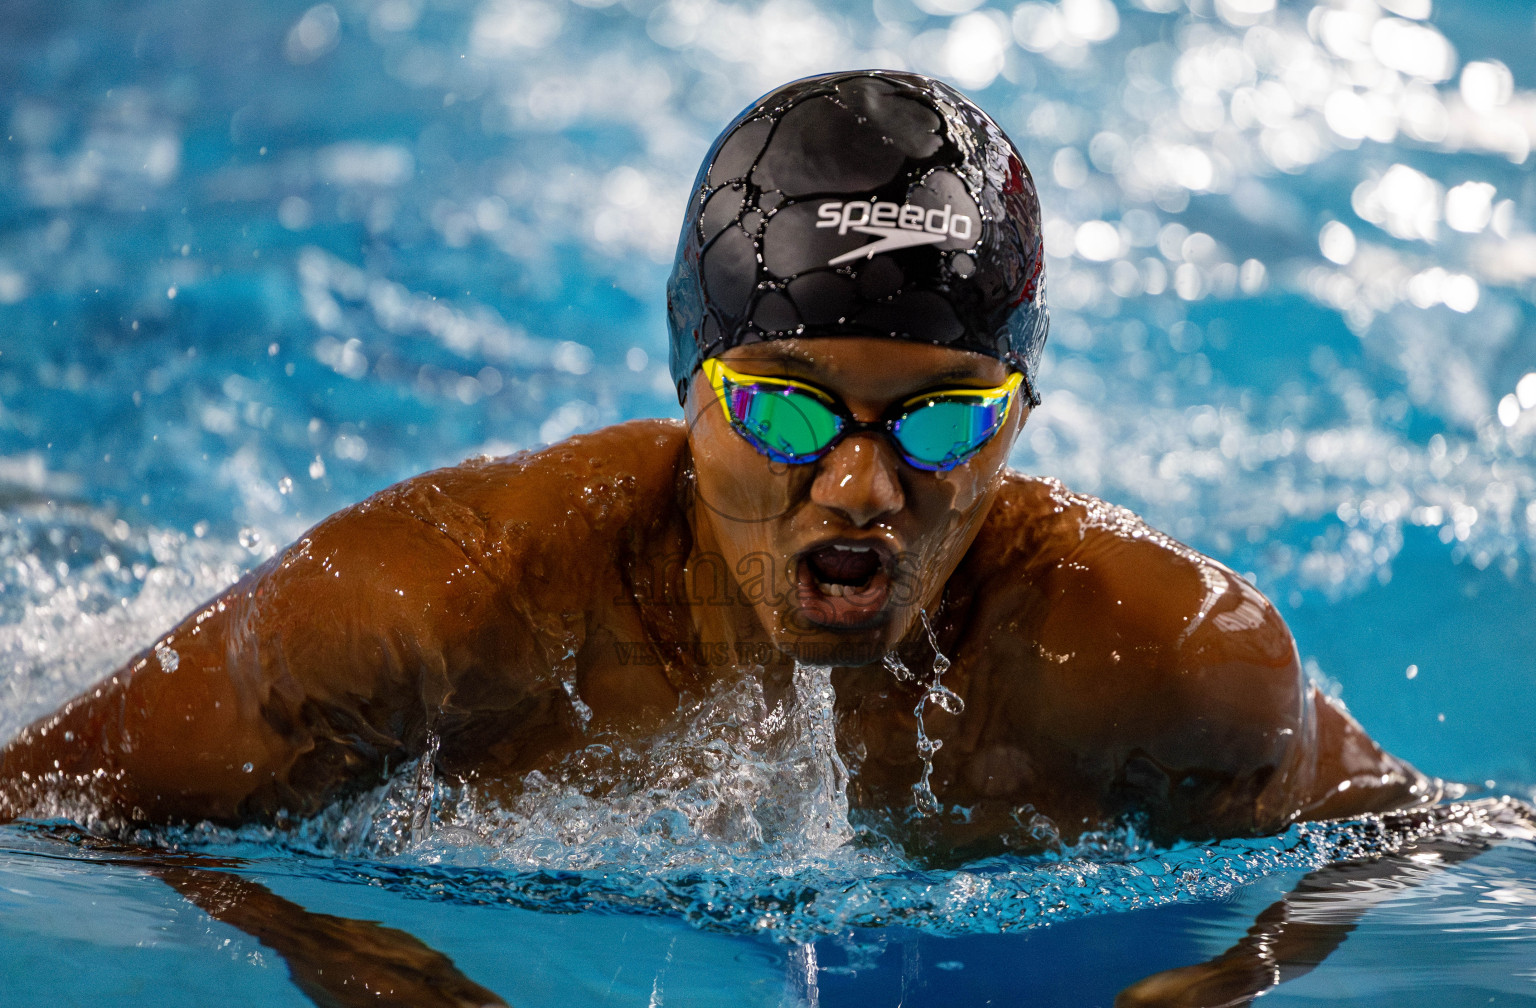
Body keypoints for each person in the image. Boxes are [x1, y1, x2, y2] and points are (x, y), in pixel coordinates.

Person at [0, 69, 1435, 848]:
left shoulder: (1171, 655)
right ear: (691, 390)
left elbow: (1424, 843)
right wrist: (316, 936)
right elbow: (42, 813)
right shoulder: (439, 605)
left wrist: (1224, 983)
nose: (864, 486)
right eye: (789, 412)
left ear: (1022, 415)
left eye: (941, 418)